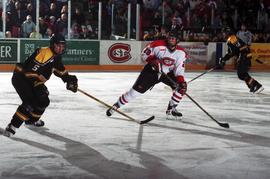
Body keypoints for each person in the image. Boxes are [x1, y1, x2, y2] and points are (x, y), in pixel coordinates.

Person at [3, 34, 78, 137]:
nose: (61, 48)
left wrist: (69, 79)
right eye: (58, 45)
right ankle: (12, 127)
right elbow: (29, 72)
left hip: (32, 80)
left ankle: (31, 120)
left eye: (62, 45)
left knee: (44, 100)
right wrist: (37, 86)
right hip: (21, 78)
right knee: (30, 102)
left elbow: (59, 69)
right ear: (52, 45)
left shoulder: (56, 56)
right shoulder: (44, 53)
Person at [106, 30, 188, 120]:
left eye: (173, 38)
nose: (171, 40)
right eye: (170, 38)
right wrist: (152, 61)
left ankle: (171, 109)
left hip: (168, 73)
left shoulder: (181, 53)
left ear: (177, 40)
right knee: (135, 92)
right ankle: (116, 105)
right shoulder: (157, 44)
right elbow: (144, 54)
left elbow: (179, 69)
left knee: (182, 87)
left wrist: (181, 81)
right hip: (151, 72)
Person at [219, 27, 264, 94]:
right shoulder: (231, 39)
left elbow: (236, 51)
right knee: (243, 73)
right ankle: (251, 86)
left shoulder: (232, 38)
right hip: (244, 56)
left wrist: (224, 59)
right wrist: (224, 59)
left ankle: (257, 85)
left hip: (244, 56)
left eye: (223, 32)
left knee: (241, 74)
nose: (223, 34)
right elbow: (231, 52)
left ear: (227, 33)